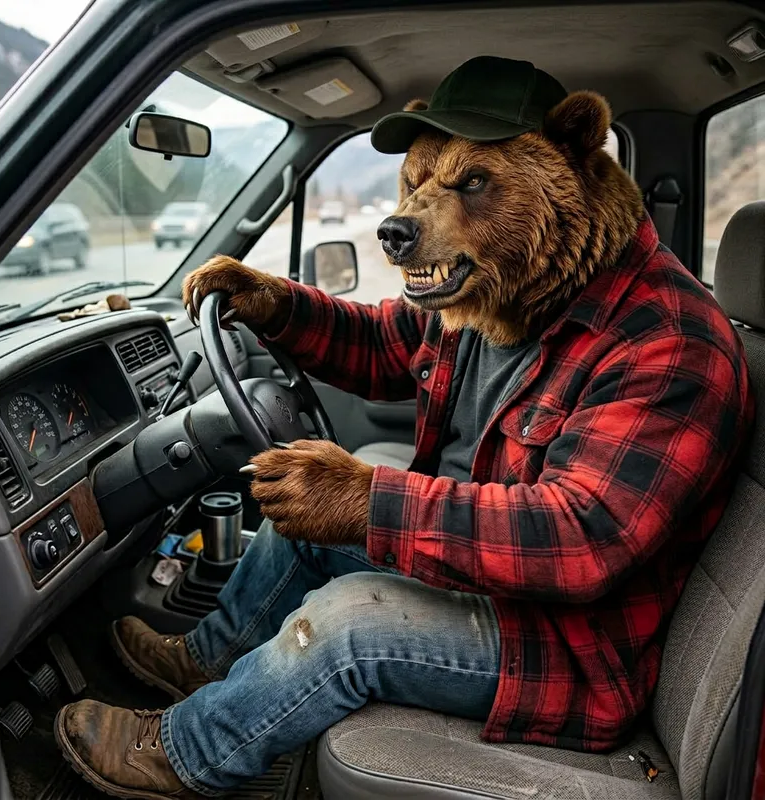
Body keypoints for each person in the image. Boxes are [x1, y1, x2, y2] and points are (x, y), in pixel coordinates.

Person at [54, 56, 753, 799]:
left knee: (347, 621)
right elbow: (385, 345)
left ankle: (188, 754)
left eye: (472, 184)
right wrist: (274, 304)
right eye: (418, 183)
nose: (415, 213)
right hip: (494, 582)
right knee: (303, 517)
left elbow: (580, 539)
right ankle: (204, 661)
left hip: (564, 649)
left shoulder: (668, 342)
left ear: (575, 157)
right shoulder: (501, 292)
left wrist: (369, 500)